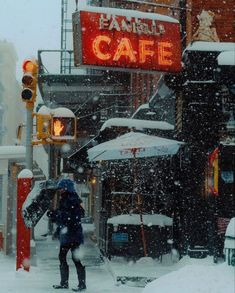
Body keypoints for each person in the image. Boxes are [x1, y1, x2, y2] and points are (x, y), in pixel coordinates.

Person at [47, 178, 86, 291]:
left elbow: (70, 217)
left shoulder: (72, 200)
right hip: (69, 234)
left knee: (74, 259)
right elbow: (63, 215)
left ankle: (80, 284)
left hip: (72, 235)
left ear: (67, 188)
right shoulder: (66, 199)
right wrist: (55, 215)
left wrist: (55, 215)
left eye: (62, 188)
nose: (60, 191)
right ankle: (66, 283)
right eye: (60, 189)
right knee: (64, 257)